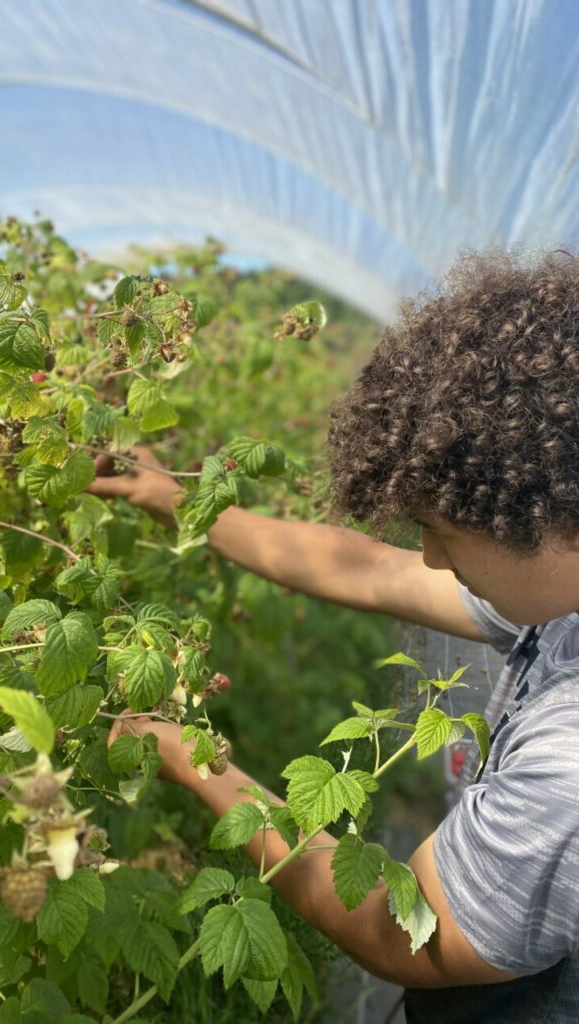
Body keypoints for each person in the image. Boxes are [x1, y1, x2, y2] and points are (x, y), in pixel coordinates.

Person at [89, 251, 579, 1023]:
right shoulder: (560, 597)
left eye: (442, 530)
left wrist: (199, 765)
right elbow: (368, 570)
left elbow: (396, 928)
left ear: (542, 517)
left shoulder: (569, 770)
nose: (430, 557)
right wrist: (178, 500)